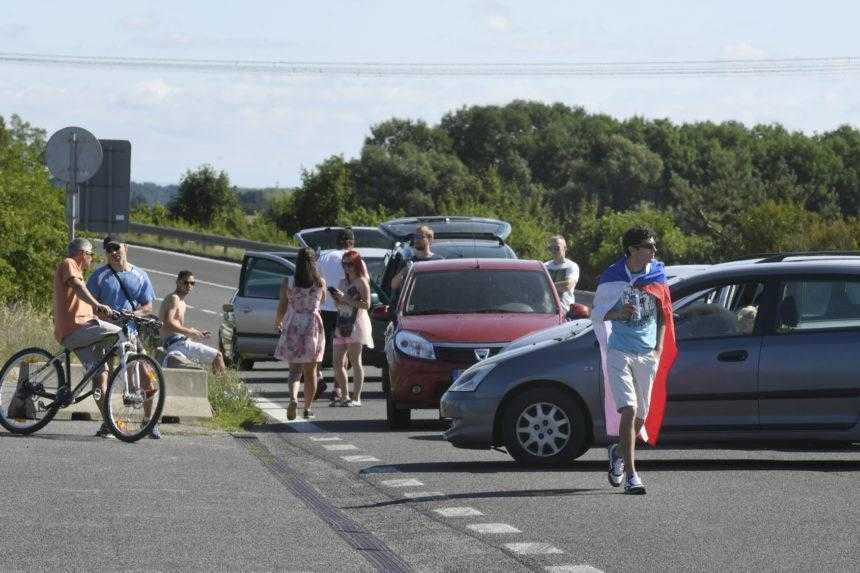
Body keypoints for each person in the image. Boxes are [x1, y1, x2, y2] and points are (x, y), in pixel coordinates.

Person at [591, 227, 677, 495]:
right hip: (620, 352)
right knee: (628, 410)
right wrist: (617, 312)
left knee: (641, 415)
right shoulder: (613, 276)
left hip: (647, 353)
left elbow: (665, 314)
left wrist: (658, 348)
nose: (653, 251)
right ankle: (632, 476)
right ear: (632, 250)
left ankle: (618, 451)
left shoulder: (657, 274)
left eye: (654, 246)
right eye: (648, 246)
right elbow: (598, 313)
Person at [87, 235, 161, 437]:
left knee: (147, 374)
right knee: (100, 380)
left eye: (116, 248)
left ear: (125, 248)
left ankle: (149, 421)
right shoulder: (100, 276)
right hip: (104, 333)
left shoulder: (140, 275)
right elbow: (88, 303)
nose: (113, 253)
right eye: (108, 250)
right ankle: (108, 423)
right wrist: (97, 312)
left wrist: (134, 314)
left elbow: (148, 306)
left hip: (130, 332)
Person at [53, 238, 120, 438]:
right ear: (83, 253)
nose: (92, 258)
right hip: (75, 329)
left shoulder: (79, 272)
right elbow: (77, 288)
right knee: (119, 333)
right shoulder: (69, 264)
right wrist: (97, 304)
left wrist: (103, 312)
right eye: (91, 255)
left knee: (100, 376)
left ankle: (108, 423)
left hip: (83, 331)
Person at [274, 248, 325, 420]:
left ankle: (293, 398)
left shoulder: (288, 281)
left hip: (294, 324)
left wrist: (278, 322)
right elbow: (322, 302)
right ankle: (308, 407)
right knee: (311, 372)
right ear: (314, 263)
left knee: (294, 370)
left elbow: (282, 305)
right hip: (312, 325)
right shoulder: (320, 283)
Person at [158, 270, 226, 375]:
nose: (189, 286)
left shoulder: (182, 303)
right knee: (218, 356)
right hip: (176, 344)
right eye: (186, 282)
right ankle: (225, 389)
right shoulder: (174, 298)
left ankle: (220, 385)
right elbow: (168, 323)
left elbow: (177, 327)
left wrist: (196, 332)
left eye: (192, 283)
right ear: (178, 282)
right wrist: (189, 332)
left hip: (178, 343)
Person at [329, 250, 374, 407]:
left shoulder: (362, 282)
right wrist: (337, 299)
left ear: (357, 265)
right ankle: (345, 395)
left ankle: (357, 397)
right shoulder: (342, 282)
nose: (346, 267)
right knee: (337, 362)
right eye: (344, 264)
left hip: (356, 323)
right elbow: (339, 305)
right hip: (342, 322)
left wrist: (346, 299)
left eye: (350, 264)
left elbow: (367, 305)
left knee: (355, 361)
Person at [317, 228, 356, 401]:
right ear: (350, 242)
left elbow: (316, 279)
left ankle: (318, 378)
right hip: (345, 309)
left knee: (319, 347)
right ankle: (338, 388)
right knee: (343, 349)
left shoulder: (324, 257)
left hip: (324, 308)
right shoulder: (352, 258)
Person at [390, 225, 443, 291]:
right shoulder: (408, 262)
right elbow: (393, 286)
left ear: (429, 239)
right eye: (415, 237)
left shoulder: (439, 261)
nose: (416, 240)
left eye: (420, 237)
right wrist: (405, 271)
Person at [544, 235, 580, 309]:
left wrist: (545, 287)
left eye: (557, 248)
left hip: (564, 309)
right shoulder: (545, 266)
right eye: (551, 248)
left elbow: (567, 285)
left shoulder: (571, 266)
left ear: (565, 248)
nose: (554, 251)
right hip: (545, 308)